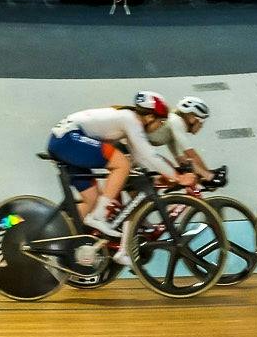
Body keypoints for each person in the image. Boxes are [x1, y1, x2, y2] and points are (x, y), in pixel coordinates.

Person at [46, 93, 192, 237]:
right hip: (67, 138)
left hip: (63, 140)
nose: (160, 127)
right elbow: (149, 155)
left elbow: (140, 157)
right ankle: (99, 216)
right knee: (122, 163)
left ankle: (61, 239)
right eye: (161, 122)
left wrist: (165, 174)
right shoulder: (130, 120)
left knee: (92, 200)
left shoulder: (129, 119)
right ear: (150, 117)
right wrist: (178, 177)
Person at [145, 96, 216, 183]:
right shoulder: (177, 122)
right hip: (134, 145)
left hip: (137, 146)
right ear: (192, 118)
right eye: (202, 122)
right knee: (168, 172)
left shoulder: (172, 126)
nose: (202, 126)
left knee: (170, 174)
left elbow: (182, 160)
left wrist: (201, 176)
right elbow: (192, 155)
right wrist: (209, 176)